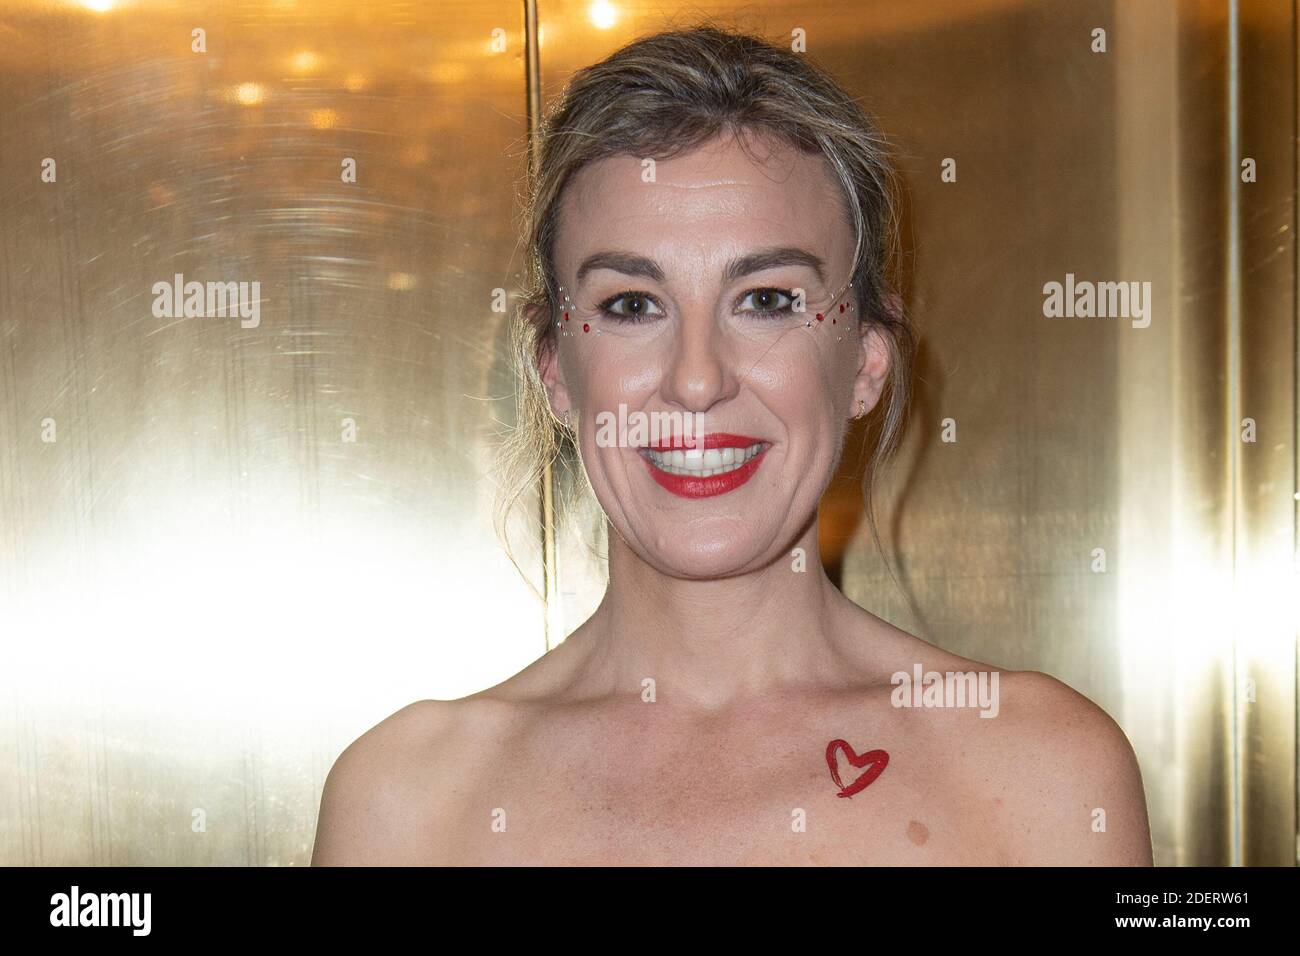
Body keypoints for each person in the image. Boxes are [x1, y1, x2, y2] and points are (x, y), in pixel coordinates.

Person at [312, 24, 1153, 866]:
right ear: (555, 371)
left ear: (865, 360)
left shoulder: (1042, 772)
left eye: (768, 300)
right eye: (633, 305)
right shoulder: (406, 803)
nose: (697, 380)